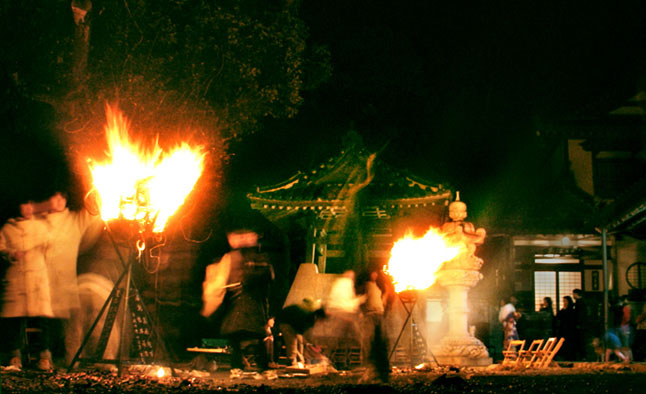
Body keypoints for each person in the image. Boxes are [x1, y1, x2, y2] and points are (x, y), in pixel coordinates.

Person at [201, 229, 274, 375]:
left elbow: (264, 279)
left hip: (248, 303)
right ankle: (252, 368)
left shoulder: (244, 258)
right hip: (242, 303)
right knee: (242, 339)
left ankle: (255, 368)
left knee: (248, 339)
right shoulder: (235, 258)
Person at [357, 270, 390, 383]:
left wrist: (386, 293)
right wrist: (360, 312)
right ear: (369, 274)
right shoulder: (366, 285)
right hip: (369, 315)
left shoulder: (378, 287)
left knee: (381, 341)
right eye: (373, 273)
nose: (374, 275)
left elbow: (382, 302)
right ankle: (369, 370)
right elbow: (361, 299)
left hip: (379, 315)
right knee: (368, 342)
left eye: (376, 273)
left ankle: (379, 373)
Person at [277, 298, 326, 367]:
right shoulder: (308, 316)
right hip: (286, 323)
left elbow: (304, 334)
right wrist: (310, 345)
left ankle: (301, 363)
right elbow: (302, 331)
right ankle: (292, 364)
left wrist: (310, 344)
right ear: (317, 316)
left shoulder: (310, 316)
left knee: (300, 344)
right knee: (292, 345)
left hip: (294, 324)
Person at [555, 296, 577, 360]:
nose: (564, 302)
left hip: (569, 330)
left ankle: (570, 357)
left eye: (565, 301)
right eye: (563, 301)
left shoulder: (572, 310)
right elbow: (558, 317)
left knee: (569, 344)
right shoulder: (562, 310)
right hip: (562, 330)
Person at [572, 289, 589, 361]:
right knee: (581, 341)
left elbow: (580, 314)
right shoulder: (582, 302)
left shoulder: (580, 302)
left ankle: (583, 356)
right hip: (583, 324)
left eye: (573, 294)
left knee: (581, 341)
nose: (573, 296)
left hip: (581, 325)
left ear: (576, 294)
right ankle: (582, 356)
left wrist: (578, 323)